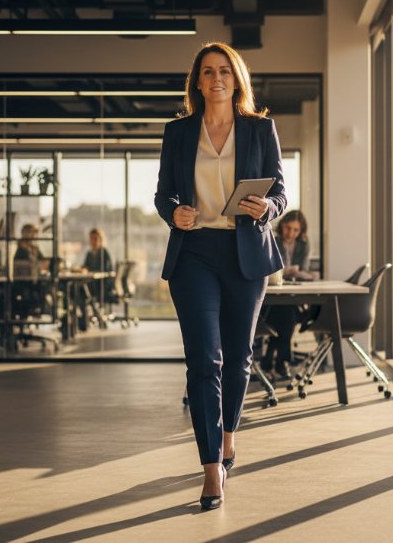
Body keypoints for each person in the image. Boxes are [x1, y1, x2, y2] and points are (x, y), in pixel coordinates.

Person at [155, 42, 286, 510]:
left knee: (237, 357)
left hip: (244, 253)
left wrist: (267, 206)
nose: (216, 79)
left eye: (225, 71)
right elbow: (162, 195)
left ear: (237, 79)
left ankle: (229, 433)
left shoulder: (259, 129)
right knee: (203, 361)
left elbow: (280, 193)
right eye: (208, 72)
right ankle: (212, 468)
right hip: (194, 254)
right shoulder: (178, 132)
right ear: (197, 81)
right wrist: (176, 214)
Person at [261, 210, 312, 377]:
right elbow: (270, 268)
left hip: (291, 292)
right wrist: (285, 271)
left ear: (301, 231)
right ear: (282, 225)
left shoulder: (303, 244)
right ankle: (282, 361)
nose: (291, 233)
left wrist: (300, 273)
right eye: (288, 228)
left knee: (286, 313)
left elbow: (304, 269)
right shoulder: (273, 239)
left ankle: (270, 359)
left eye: (296, 230)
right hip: (272, 295)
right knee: (287, 314)